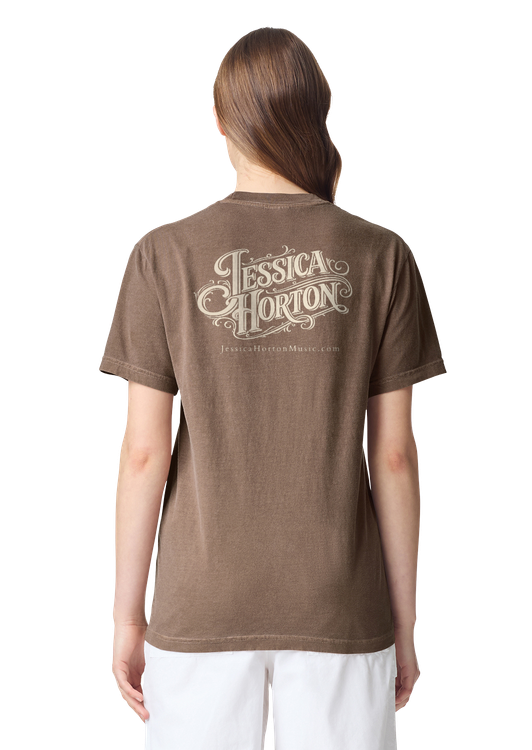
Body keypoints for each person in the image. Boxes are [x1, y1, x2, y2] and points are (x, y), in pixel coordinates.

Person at [101, 25, 447, 750]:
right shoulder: (382, 254)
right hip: (340, 603)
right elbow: (394, 458)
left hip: (201, 603)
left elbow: (143, 453)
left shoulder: (162, 254)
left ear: (220, 121)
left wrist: (128, 618)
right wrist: (403, 625)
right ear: (317, 114)